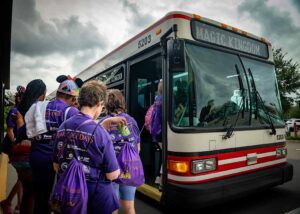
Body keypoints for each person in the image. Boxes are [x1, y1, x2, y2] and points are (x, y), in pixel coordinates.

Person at [53, 80, 121, 214]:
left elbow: (56, 166)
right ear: (99, 103)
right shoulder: (100, 133)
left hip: (69, 195)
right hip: (95, 196)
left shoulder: (63, 127)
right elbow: (112, 175)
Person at [21, 75, 83, 214]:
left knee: (40, 198)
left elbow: (24, 131)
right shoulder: (71, 111)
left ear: (57, 93)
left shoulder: (39, 107)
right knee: (60, 198)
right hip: (60, 160)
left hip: (37, 156)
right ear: (74, 99)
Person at [101, 89, 141, 214]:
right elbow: (137, 148)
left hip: (110, 170)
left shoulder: (104, 123)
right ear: (122, 102)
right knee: (129, 208)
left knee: (112, 208)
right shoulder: (132, 121)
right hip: (128, 168)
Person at [15, 79, 47, 214]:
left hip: (17, 154)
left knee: (27, 193)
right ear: (41, 93)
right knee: (34, 194)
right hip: (30, 153)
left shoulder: (19, 107)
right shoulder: (37, 108)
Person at [0, 86, 25, 214]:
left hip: (15, 146)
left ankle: (15, 204)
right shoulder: (15, 110)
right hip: (12, 146)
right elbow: (10, 131)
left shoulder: (21, 110)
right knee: (22, 177)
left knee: (21, 177)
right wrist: (16, 144)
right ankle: (16, 205)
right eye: (23, 97)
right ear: (19, 98)